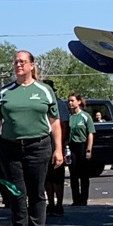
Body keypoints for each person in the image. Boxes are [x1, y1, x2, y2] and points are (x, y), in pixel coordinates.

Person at [0, 50, 62, 226]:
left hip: (38, 146)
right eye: (16, 62)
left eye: (23, 61)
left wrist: (59, 149)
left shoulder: (44, 90)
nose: (18, 64)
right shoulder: (5, 92)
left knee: (36, 192)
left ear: (32, 65)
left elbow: (55, 122)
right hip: (11, 148)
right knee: (16, 193)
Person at [43, 79, 69, 217]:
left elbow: (64, 125)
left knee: (57, 176)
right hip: (43, 143)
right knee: (47, 177)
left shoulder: (60, 104)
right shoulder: (41, 103)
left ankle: (59, 204)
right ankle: (51, 204)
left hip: (56, 144)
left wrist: (60, 146)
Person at [67, 93, 95, 206]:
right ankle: (76, 199)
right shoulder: (69, 117)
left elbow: (90, 133)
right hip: (72, 147)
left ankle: (84, 198)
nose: (70, 103)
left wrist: (89, 149)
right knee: (73, 174)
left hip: (82, 146)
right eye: (69, 101)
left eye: (72, 100)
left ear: (78, 102)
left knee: (83, 174)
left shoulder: (85, 116)